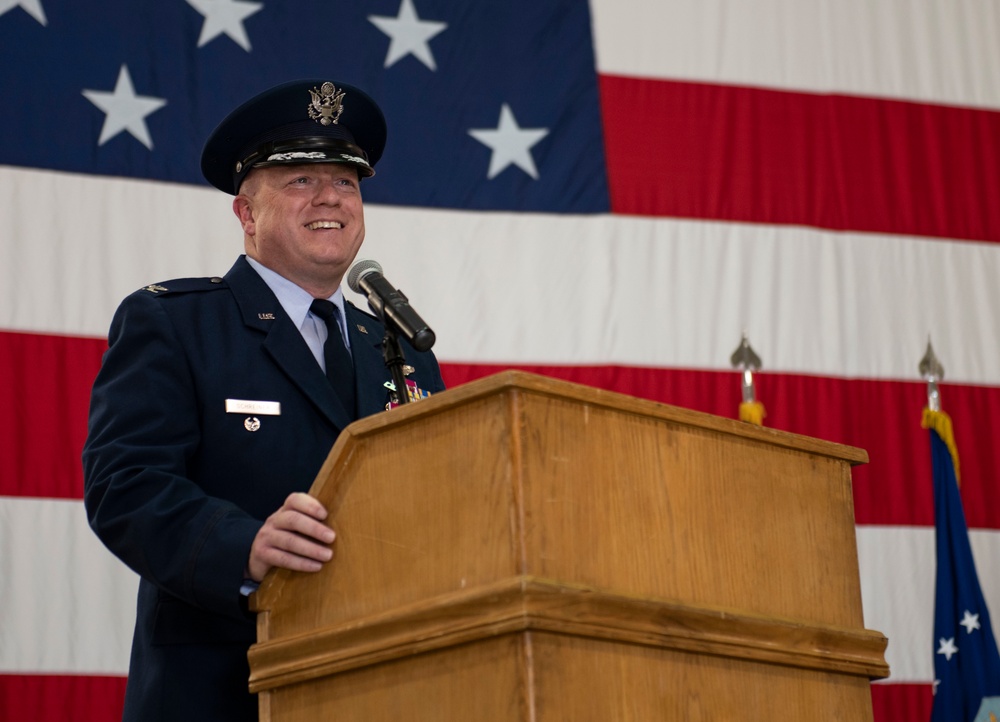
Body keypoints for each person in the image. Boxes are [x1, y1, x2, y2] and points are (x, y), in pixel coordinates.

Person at [82, 79, 446, 721]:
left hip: (378, 684)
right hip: (221, 687)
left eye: (346, 181)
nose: (330, 196)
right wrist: (243, 548)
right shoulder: (173, 323)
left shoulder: (400, 348)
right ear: (247, 214)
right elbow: (126, 485)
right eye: (300, 180)